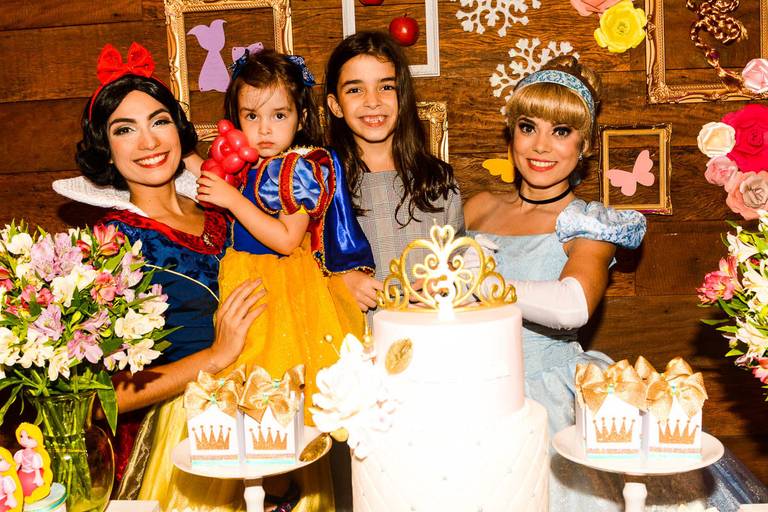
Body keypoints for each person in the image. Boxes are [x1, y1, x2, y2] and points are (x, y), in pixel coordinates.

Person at [464, 55, 768, 510]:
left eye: (561, 132)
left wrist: (483, 283)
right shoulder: (477, 208)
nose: (542, 146)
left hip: (550, 395)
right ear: (512, 134)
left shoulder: (588, 221)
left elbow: (573, 306)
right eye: (529, 127)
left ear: (584, 146)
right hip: (467, 384)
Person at [54, 42, 268, 511]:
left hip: (265, 418)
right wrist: (216, 355)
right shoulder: (111, 245)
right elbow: (99, 400)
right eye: (124, 129)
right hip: (183, 444)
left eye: (160, 121)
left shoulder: (222, 211)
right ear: (105, 151)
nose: (148, 142)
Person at [324, 31, 464, 312]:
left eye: (386, 87)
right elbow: (296, 265)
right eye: (355, 89)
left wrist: (449, 277)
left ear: (403, 97)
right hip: (351, 345)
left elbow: (462, 260)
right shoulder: (320, 182)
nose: (372, 100)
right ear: (336, 105)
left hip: (428, 337)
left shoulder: (438, 182)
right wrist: (337, 282)